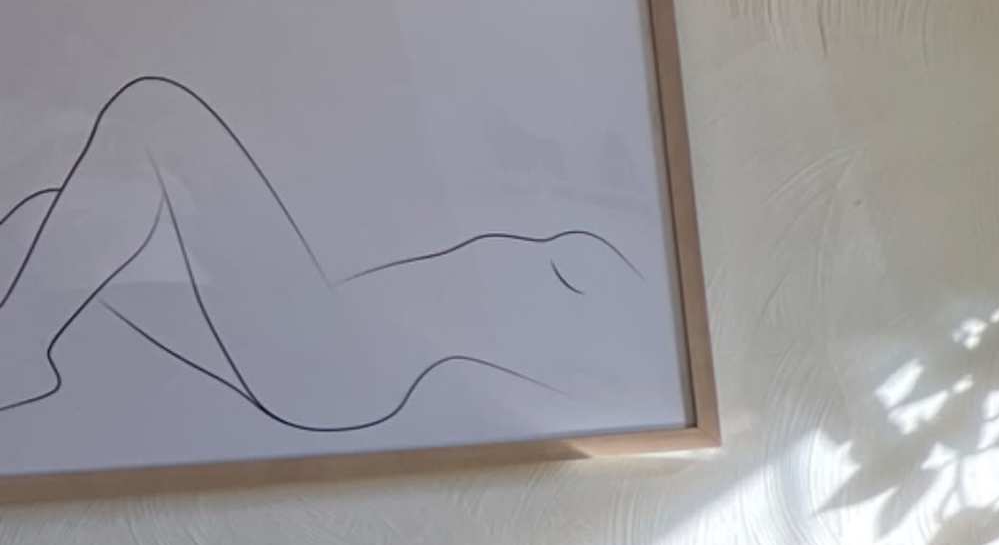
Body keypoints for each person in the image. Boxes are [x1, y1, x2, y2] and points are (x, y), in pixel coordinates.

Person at [0, 74, 662, 432]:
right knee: (50, 207)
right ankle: (23, 347)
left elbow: (620, 393)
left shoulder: (620, 316)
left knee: (152, 108)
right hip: (321, 322)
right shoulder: (585, 264)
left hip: (330, 365)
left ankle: (18, 353)